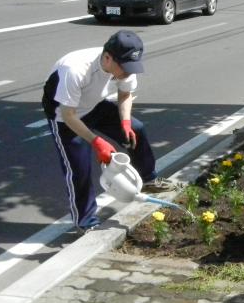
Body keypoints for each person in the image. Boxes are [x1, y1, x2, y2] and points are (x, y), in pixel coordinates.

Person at [42, 30, 174, 233]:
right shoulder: (75, 69)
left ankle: (148, 179)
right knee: (79, 168)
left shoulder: (123, 67)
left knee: (136, 130)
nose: (128, 72)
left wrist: (126, 122)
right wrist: (96, 142)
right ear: (107, 58)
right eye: (125, 68)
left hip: (94, 105)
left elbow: (125, 94)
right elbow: (69, 115)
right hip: (64, 117)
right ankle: (85, 222)